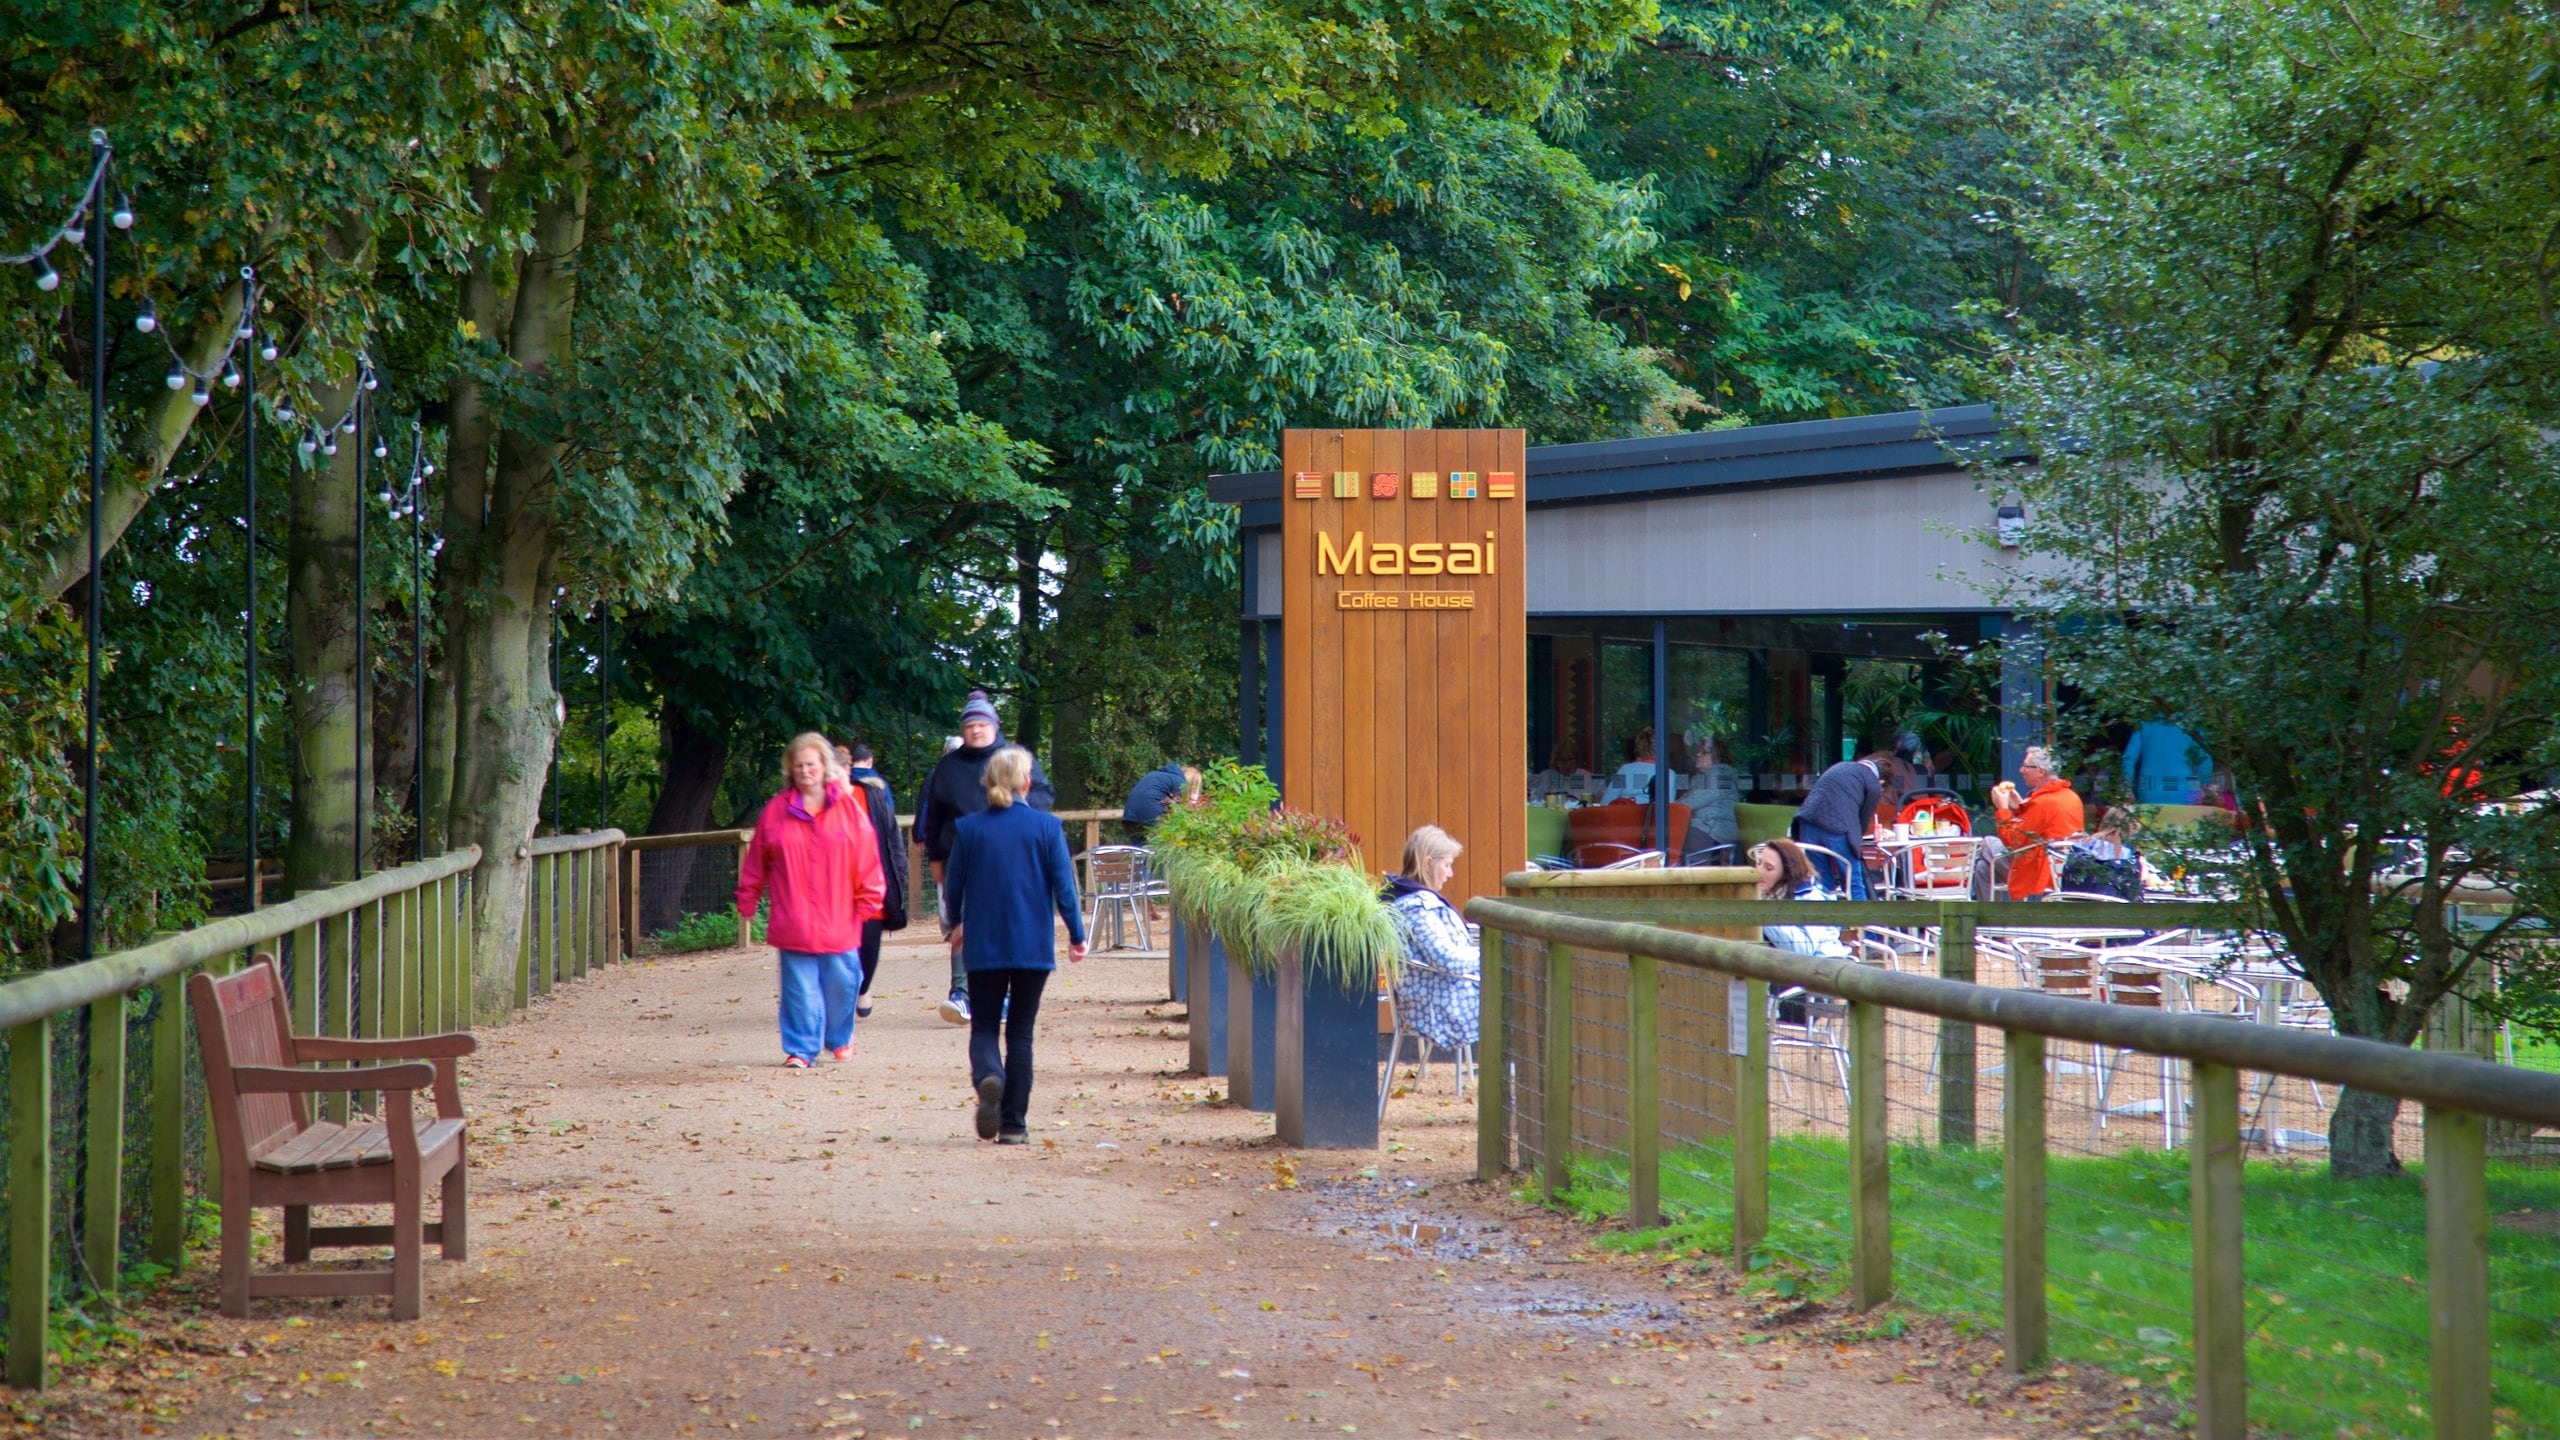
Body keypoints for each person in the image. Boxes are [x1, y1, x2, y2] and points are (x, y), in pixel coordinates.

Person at [943, 746, 1086, 1143]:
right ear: (1026, 783)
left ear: (987, 782)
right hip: (1032, 945)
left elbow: (953, 887)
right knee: (1021, 1033)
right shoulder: (1046, 827)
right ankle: (1014, 1125)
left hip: (985, 943)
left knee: (985, 1026)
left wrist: (956, 922)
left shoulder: (969, 828)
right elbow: (1064, 888)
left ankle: (989, 1076)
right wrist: (1077, 935)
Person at [736, 732, 886, 1068]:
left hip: (840, 915)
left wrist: (870, 900)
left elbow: (868, 858)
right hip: (794, 916)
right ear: (790, 769)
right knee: (799, 990)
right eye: (798, 765)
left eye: (811, 764)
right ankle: (801, 1048)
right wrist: (748, 896)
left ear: (824, 766)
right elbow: (757, 859)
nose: (805, 771)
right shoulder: (775, 811)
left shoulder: (848, 809)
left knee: (843, 982)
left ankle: (839, 1036)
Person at [918, 691, 1057, 1024]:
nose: (976, 731)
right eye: (970, 725)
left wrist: (1014, 824)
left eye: (981, 724)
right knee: (960, 924)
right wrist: (936, 857)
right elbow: (934, 814)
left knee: (1004, 925)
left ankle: (1005, 994)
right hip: (961, 857)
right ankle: (961, 994)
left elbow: (1042, 796)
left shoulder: (1016, 758)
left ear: (994, 725)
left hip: (1009, 860)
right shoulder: (947, 767)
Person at [1380, 825, 1481, 1058]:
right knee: (1524, 1000)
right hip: (1443, 1007)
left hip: (1442, 996)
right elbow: (1447, 960)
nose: (1450, 873)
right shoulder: (1418, 909)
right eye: (1446, 865)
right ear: (1427, 864)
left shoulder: (1407, 899)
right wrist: (1492, 959)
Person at [836, 742, 910, 1019]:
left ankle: (862, 987)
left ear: (848, 769)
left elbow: (891, 835)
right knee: (840, 945)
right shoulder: (816, 801)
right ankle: (841, 995)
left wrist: (899, 872)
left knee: (869, 941)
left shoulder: (872, 795)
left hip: (870, 882)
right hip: (835, 886)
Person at [1750, 839, 1849, 1024]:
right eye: (1759, 863)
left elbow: (1803, 950)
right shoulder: (1774, 895)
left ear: (1786, 874)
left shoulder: (1810, 898)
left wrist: (1761, 913)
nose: (1759, 871)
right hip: (1789, 983)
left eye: (1768, 868)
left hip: (1812, 994)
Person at [1992, 745, 2086, 899]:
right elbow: (2038, 828)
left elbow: (2013, 840)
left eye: (2026, 766)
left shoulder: (2043, 802)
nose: (2021, 770)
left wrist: (2002, 809)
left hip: (2037, 870)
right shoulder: (2071, 796)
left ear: (2041, 772)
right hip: (2060, 869)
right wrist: (2020, 807)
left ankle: (1987, 913)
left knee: (1988, 845)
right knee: (1983, 867)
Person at [1794, 750, 1889, 898]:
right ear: (1881, 782)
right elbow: (1863, 820)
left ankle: (1825, 920)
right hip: (1837, 829)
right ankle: (1862, 919)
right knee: (1853, 884)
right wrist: (1857, 845)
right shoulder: (1873, 783)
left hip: (1807, 823)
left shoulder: (1841, 766)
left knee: (1821, 883)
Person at [1679, 736, 1744, 860]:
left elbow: (1693, 800)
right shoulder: (1700, 776)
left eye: (1705, 752)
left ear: (1718, 758)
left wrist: (1670, 808)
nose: (1698, 754)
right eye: (1697, 751)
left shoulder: (1722, 774)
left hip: (1713, 830)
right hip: (1706, 827)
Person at [2120, 719, 2212, 806]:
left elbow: (2128, 760)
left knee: (2149, 821)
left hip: (2149, 786)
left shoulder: (2144, 722)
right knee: (2188, 821)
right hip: (2186, 787)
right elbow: (2204, 760)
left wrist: (2127, 789)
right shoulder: (2192, 722)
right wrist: (2204, 784)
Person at [1120, 762, 1200, 842]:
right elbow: (1182, 810)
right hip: (1150, 812)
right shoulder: (1180, 782)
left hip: (1129, 814)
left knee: (1139, 849)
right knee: (1166, 842)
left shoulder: (1156, 775)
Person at [1601, 727, 1659, 804]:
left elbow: (1606, 802)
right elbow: (1670, 808)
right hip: (1654, 816)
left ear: (1637, 748)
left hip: (1626, 815)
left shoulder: (1625, 770)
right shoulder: (1668, 774)